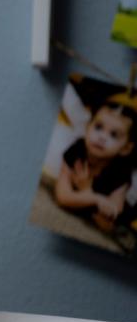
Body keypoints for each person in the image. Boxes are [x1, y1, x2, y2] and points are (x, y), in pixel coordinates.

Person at [55, 94, 137, 232]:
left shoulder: (121, 172)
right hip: (95, 199)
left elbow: (110, 217)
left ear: (125, 148)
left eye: (114, 135)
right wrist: (95, 198)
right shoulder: (76, 152)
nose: (102, 137)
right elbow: (63, 196)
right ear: (87, 128)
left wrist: (86, 191)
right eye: (98, 127)